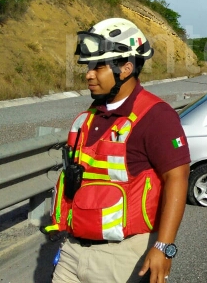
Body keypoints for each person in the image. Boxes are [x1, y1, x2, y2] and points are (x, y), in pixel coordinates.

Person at [45, 18, 190, 283]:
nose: (89, 74)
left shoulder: (156, 116)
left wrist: (164, 247)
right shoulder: (89, 117)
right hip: (73, 251)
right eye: (89, 66)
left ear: (126, 68)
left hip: (123, 256)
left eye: (98, 66)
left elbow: (177, 178)